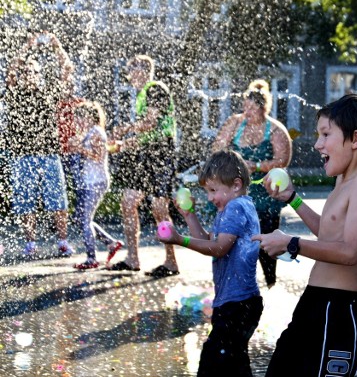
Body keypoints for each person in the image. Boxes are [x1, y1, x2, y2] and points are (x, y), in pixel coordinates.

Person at [252, 94, 357, 377]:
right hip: (313, 302)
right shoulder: (343, 180)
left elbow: (350, 253)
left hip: (339, 310)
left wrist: (291, 243)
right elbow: (329, 233)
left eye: (326, 134)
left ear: (355, 139)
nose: (317, 144)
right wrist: (293, 199)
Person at [156, 150, 263, 376]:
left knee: (212, 362)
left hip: (238, 305)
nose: (210, 198)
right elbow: (208, 241)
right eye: (207, 191)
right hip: (236, 303)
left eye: (213, 190)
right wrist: (189, 215)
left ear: (236, 185)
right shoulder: (229, 207)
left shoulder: (236, 207)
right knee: (235, 364)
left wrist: (178, 239)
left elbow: (218, 248)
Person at [212, 79, 292, 288]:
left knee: (265, 243)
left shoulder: (275, 130)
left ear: (263, 108)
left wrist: (256, 165)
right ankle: (239, 284)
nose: (247, 111)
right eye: (245, 107)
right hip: (238, 194)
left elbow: (283, 161)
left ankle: (271, 283)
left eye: (252, 108)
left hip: (266, 194)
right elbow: (217, 149)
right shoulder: (235, 123)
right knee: (235, 239)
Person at [5, 31, 75, 257]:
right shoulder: (15, 94)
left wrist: (57, 45)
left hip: (49, 154)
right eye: (26, 72)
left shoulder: (48, 93)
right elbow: (10, 71)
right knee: (25, 202)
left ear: (39, 75)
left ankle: (62, 241)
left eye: (33, 72)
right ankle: (30, 244)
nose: (29, 75)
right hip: (22, 155)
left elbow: (67, 70)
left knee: (58, 199)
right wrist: (27, 47)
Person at [108, 55, 179, 277]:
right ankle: (132, 258)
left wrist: (124, 129)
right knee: (128, 201)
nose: (130, 76)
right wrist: (123, 145)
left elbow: (151, 124)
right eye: (129, 72)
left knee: (159, 208)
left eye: (133, 70)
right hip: (147, 154)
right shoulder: (141, 95)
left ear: (145, 70)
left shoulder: (155, 88)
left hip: (162, 155)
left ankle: (171, 262)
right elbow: (147, 135)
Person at [68, 101, 123, 269]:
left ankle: (91, 258)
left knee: (84, 220)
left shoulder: (97, 132)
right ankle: (111, 243)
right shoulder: (90, 132)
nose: (77, 121)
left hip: (96, 182)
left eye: (79, 117)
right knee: (80, 219)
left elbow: (98, 157)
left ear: (88, 117)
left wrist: (79, 148)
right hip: (89, 181)